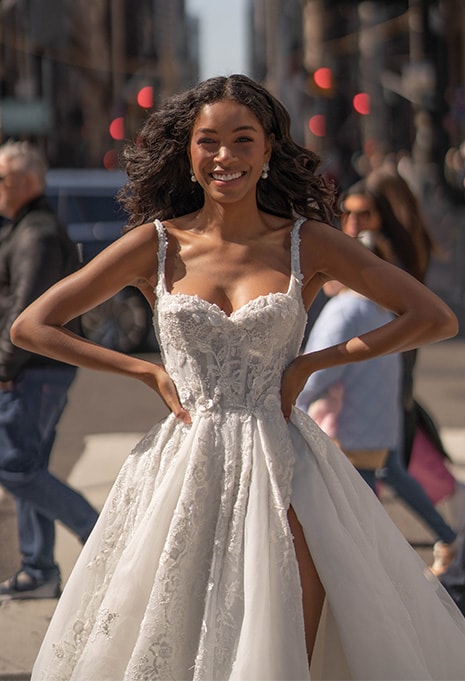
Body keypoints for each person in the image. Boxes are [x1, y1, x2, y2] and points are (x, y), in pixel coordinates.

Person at [10, 75, 465, 680]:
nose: (225, 156)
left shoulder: (309, 244)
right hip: (181, 469)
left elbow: (432, 318)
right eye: (209, 141)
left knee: (284, 643)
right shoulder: (156, 244)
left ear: (269, 150)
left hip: (289, 468)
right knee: (175, 638)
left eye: (243, 139)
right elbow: (32, 326)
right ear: (189, 153)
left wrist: (314, 361)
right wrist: (145, 370)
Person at [340, 178, 460, 576]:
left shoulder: (380, 257)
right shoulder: (350, 251)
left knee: (380, 466)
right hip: (362, 380)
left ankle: (439, 539)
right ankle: (393, 547)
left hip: (380, 377)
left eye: (364, 214)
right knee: (376, 467)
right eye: (349, 214)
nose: (355, 223)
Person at [0, 141, 98, 601]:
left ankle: (97, 533)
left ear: (29, 181)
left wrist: (4, 366)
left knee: (15, 467)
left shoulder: (35, 233)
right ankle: (38, 568)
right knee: (28, 465)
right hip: (36, 368)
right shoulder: (24, 228)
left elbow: (24, 313)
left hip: (34, 369)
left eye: (4, 177)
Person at [297, 232, 402, 494]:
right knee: (366, 509)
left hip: (343, 427)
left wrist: (292, 392)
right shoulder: (380, 308)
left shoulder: (344, 309)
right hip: (375, 427)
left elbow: (319, 368)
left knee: (351, 516)